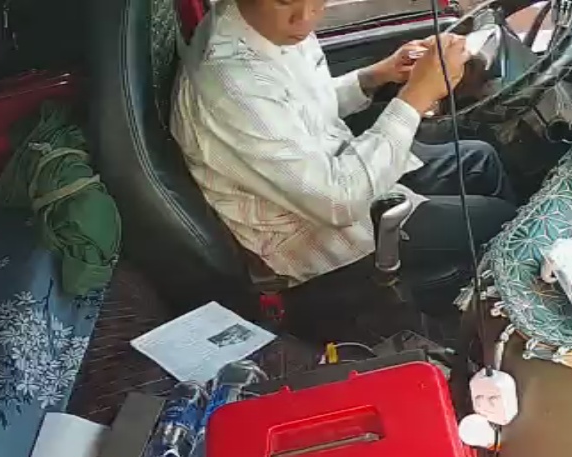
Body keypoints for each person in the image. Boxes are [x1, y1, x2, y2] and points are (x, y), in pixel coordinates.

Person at [171, 0, 518, 340]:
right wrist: (417, 95)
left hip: (335, 167)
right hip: (321, 240)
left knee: (479, 161)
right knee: (501, 222)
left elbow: (301, 107)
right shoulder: (232, 85)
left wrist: (376, 76)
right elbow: (340, 202)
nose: (305, 19)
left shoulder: (264, 29)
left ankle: (485, 290)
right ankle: (485, 323)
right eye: (283, 3)